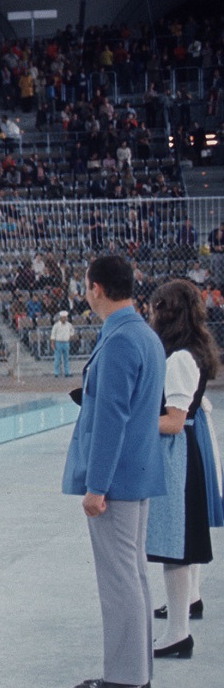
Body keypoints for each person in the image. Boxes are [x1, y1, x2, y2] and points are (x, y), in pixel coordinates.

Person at [63, 255, 167, 688]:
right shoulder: (141, 333)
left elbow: (111, 418)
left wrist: (97, 485)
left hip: (117, 479)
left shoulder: (123, 339)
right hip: (137, 471)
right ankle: (136, 666)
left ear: (97, 288)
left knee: (119, 577)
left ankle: (126, 676)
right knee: (133, 574)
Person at [143, 280, 220, 659]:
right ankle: (179, 623)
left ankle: (177, 633)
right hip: (184, 451)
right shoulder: (194, 351)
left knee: (175, 547)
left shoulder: (178, 359)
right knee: (180, 547)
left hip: (177, 455)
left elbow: (173, 421)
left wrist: (132, 418)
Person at [51, 309, 74, 378]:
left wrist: (70, 337)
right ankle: (56, 372)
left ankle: (67, 372)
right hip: (58, 342)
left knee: (66, 359)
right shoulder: (56, 325)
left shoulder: (69, 325)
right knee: (57, 358)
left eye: (65, 317)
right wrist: (53, 342)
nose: (64, 319)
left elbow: (72, 331)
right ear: (60, 318)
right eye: (63, 317)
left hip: (66, 342)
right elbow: (53, 334)